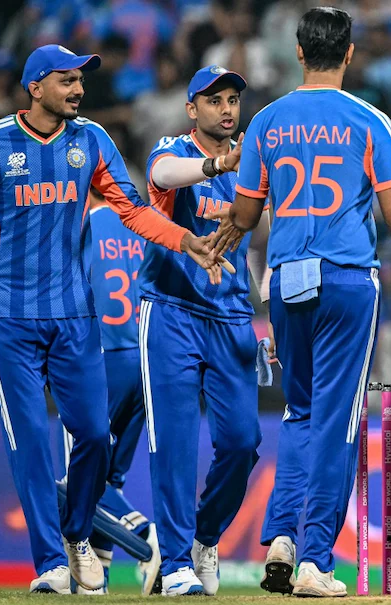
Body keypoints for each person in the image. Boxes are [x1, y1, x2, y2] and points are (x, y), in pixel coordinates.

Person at [0, 44, 224, 595]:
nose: (79, 89)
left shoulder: (93, 140)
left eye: (80, 81)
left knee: (93, 436)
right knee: (30, 442)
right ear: (35, 87)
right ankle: (50, 564)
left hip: (74, 313)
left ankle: (78, 535)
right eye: (67, 80)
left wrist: (186, 241)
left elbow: (133, 210)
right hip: (7, 314)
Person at [210, 7, 391, 598]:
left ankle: (281, 538)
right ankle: (316, 559)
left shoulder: (265, 121)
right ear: (349, 54)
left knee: (300, 412)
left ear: (299, 52)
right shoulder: (369, 120)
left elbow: (246, 214)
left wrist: (224, 235)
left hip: (286, 280)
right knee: (339, 421)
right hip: (346, 281)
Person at [141, 65, 270, 596]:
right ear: (191, 109)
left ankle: (203, 538)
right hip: (171, 309)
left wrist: (271, 314)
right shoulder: (171, 149)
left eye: (233, 99)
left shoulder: (253, 163)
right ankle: (174, 563)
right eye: (214, 100)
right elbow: (165, 175)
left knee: (243, 442)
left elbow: (258, 245)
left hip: (232, 315)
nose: (226, 108)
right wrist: (219, 164)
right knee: (174, 444)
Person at [60, 188, 160, 596]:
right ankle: (95, 581)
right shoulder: (142, 226)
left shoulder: (82, 224)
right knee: (108, 481)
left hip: (100, 360)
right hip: (145, 360)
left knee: (77, 480)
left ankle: (147, 536)